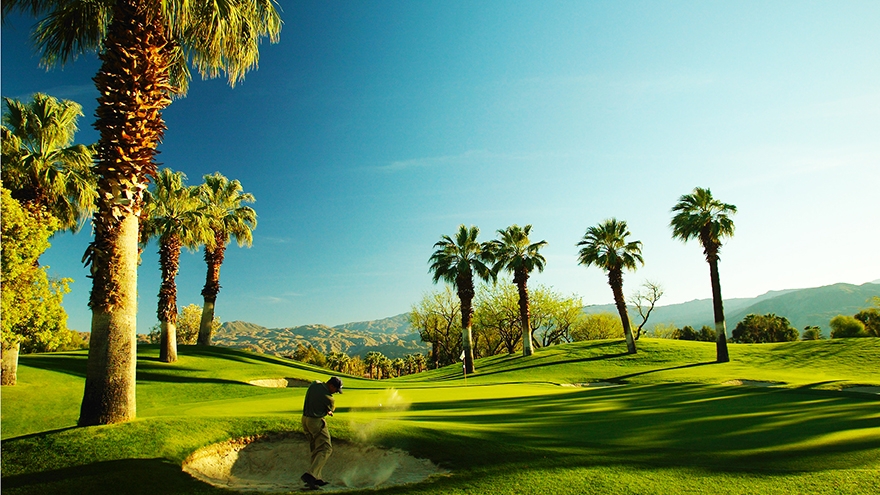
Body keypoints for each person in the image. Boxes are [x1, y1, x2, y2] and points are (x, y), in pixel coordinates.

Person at [300, 376, 343, 489]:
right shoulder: (329, 398)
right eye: (336, 389)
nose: (336, 392)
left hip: (305, 420)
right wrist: (328, 410)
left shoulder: (314, 384)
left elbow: (316, 391)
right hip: (315, 422)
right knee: (326, 449)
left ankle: (317, 478)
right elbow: (331, 408)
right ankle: (311, 475)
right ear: (331, 386)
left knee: (316, 449)